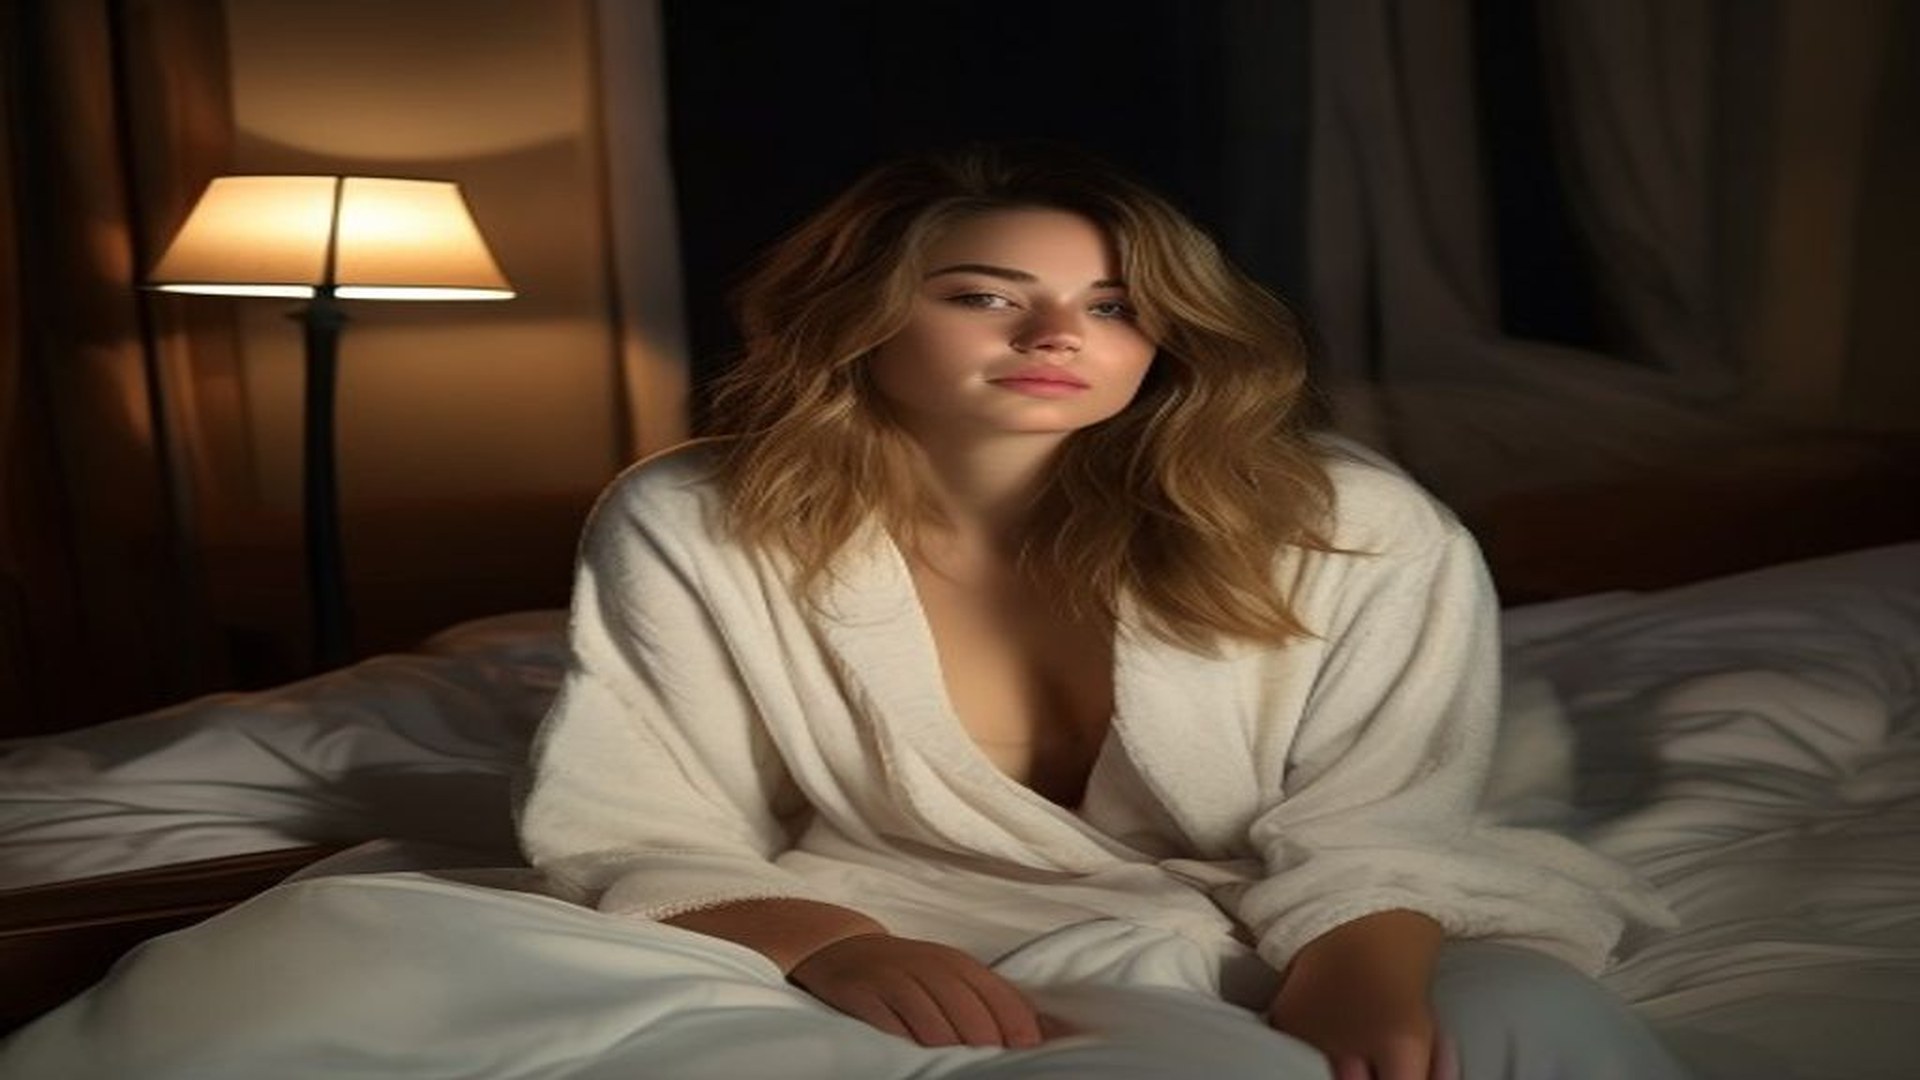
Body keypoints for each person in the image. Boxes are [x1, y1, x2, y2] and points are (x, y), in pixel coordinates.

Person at [516, 143, 1690, 1080]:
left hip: (1309, 910)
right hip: (911, 909)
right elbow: (643, 815)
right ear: (859, 319)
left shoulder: (1348, 522)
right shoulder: (697, 516)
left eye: (1116, 307)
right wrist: (833, 943)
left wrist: (1359, 973)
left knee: (1530, 1025)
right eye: (985, 296)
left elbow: (1384, 817)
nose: (1056, 336)